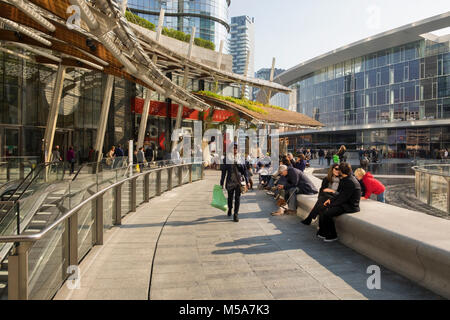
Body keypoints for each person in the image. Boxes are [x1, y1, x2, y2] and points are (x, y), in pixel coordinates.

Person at [317, 162, 361, 242]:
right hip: (345, 203)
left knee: (327, 213)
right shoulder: (346, 179)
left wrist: (331, 204)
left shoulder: (349, 182)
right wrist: (330, 200)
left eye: (338, 169)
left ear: (341, 171)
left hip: (350, 206)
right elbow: (340, 195)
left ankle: (332, 235)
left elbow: (343, 198)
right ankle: (323, 232)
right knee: (322, 207)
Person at [220, 143, 249, 222]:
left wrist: (247, 181)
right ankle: (230, 208)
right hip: (230, 181)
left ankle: (236, 214)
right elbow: (223, 172)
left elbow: (245, 171)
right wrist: (221, 182)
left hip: (238, 181)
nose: (235, 150)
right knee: (230, 198)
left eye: (236, 148)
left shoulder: (241, 158)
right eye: (233, 148)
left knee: (237, 198)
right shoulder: (226, 159)